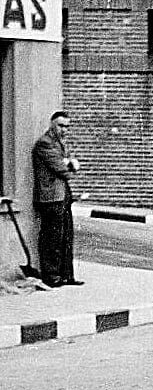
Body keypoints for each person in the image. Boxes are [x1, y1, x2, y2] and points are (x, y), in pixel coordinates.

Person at [32, 110, 83, 287]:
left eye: (67, 127)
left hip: (62, 197)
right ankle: (52, 276)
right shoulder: (44, 143)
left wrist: (68, 163)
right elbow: (62, 169)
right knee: (52, 238)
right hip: (50, 199)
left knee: (66, 238)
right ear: (52, 124)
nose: (64, 130)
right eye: (61, 125)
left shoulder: (59, 144)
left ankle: (66, 275)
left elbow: (65, 166)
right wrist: (70, 163)